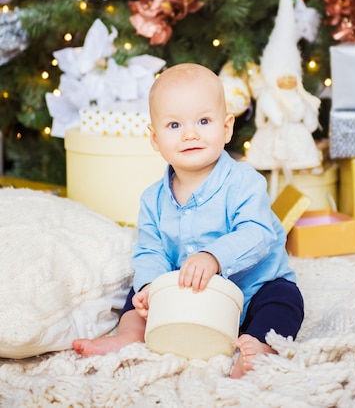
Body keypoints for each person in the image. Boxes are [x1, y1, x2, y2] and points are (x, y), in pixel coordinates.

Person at [73, 63, 304, 378]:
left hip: (252, 288)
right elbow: (150, 251)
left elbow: (259, 233)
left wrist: (214, 257)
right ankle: (127, 337)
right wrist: (151, 287)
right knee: (136, 294)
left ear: (226, 128)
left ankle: (262, 346)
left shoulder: (243, 181)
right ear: (154, 138)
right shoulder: (152, 199)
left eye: (204, 121)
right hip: (189, 295)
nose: (190, 134)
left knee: (285, 299)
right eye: (173, 125)